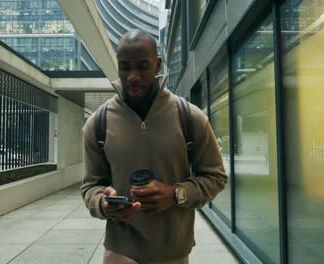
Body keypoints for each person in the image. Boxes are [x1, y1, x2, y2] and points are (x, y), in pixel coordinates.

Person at [81, 30, 227, 264]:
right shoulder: (97, 124)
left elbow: (216, 177)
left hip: (174, 253)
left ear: (158, 65)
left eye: (142, 66)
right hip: (120, 252)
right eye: (125, 67)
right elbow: (90, 186)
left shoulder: (190, 117)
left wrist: (176, 194)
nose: (132, 76)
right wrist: (103, 202)